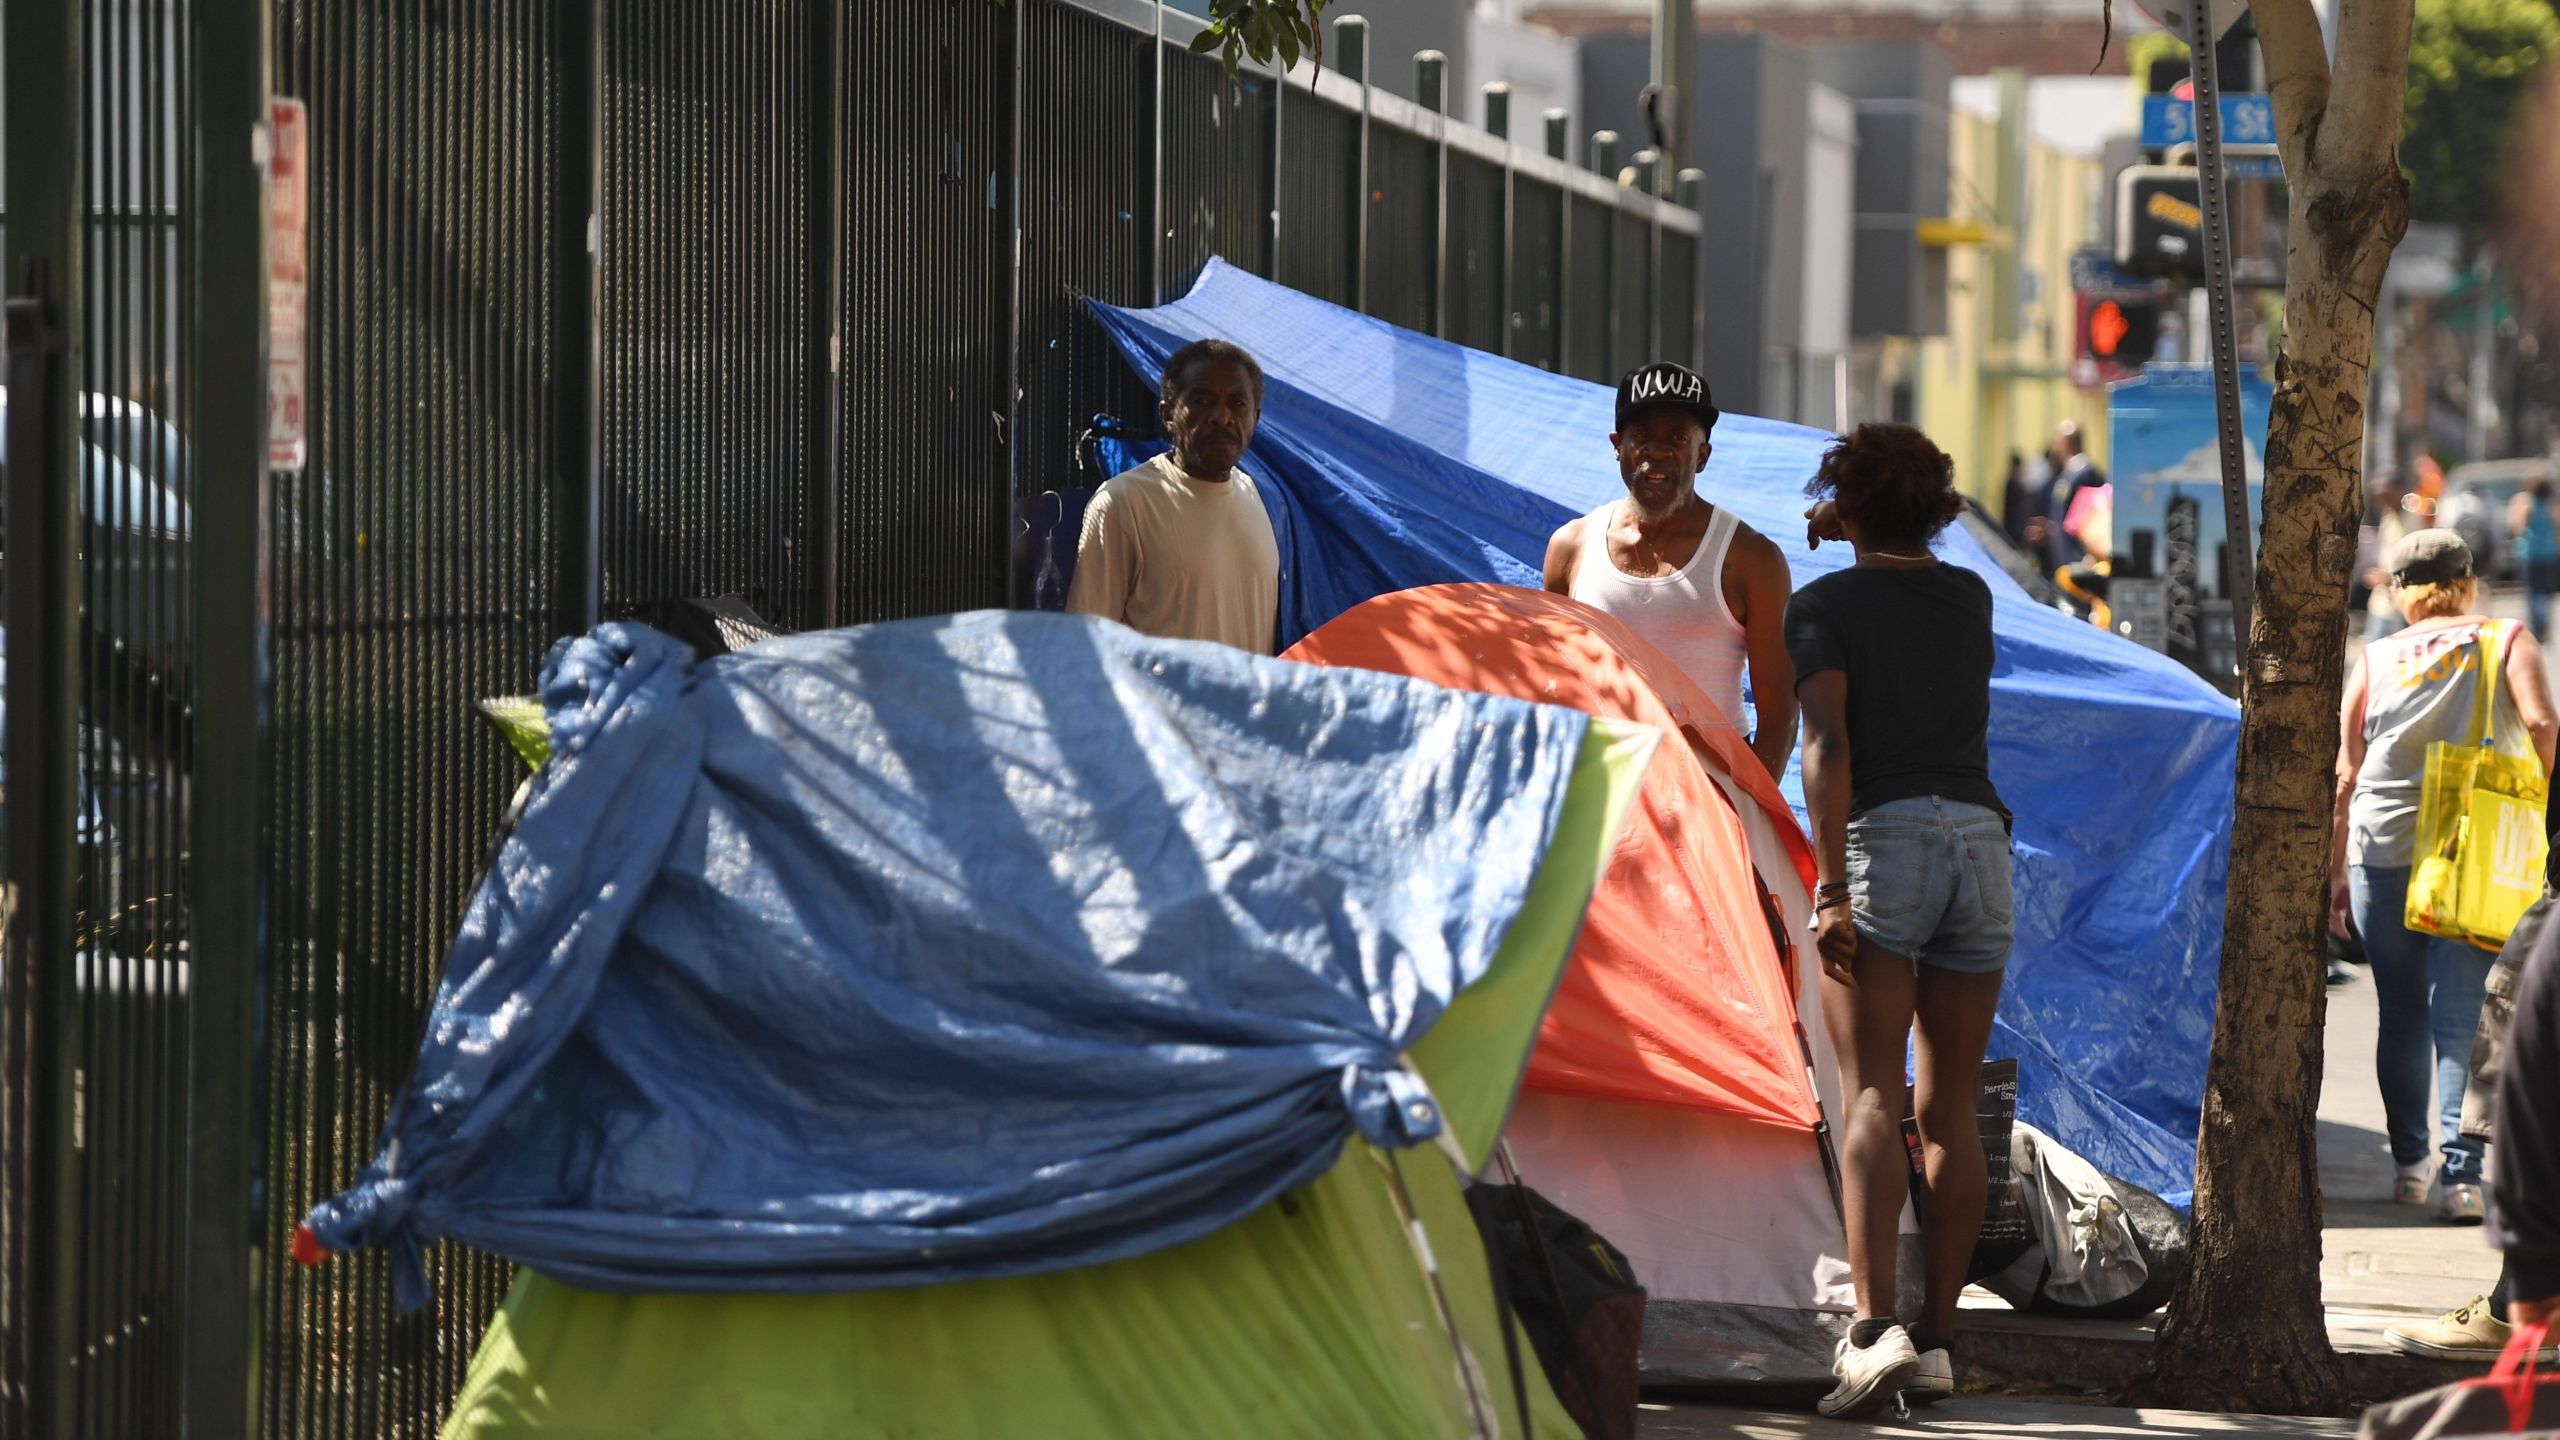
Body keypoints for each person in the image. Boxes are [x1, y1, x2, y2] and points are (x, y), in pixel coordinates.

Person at [1785, 424, 2010, 1419]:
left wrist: (1828, 889)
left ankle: (1872, 1335)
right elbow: (1905, 581)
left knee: (1870, 1092)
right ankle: (1941, 1341)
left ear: (1847, 506)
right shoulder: (1971, 596)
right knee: (1949, 1104)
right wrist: (1861, 523)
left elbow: (1826, 746)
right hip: (1980, 841)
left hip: (1887, 842)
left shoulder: (1821, 603)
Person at [2332, 530, 2559, 1223]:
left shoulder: (2374, 656)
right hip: (2475, 854)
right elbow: (2545, 723)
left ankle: (2408, 1168)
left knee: (2400, 1013)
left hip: (2383, 849)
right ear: (2465, 582)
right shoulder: (2507, 638)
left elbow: (2347, 771)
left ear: (2401, 590)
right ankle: (2462, 1181)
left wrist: (2335, 871)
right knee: (2461, 1020)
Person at [1542, 360, 1797, 778]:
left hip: (1709, 794)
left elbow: (1781, 712)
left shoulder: (1750, 558)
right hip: (1601, 790)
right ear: (1617, 445)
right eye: (1641, 436)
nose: (1656, 451)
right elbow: (1556, 687)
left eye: (1677, 437)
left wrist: (1747, 813)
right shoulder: (1571, 548)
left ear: (1703, 456)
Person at [1065, 338, 1281, 654]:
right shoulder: (1124, 502)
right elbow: (1084, 649)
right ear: (1168, 415)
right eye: (1202, 400)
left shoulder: (1258, 496)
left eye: (1237, 403)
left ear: (1255, 418)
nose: (1221, 416)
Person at [2028, 421, 2104, 570]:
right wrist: (2050, 529)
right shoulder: (2067, 472)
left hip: (2079, 559)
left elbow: (2094, 515)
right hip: (2063, 557)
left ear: (2066, 442)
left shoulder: (2086, 472)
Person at [2365, 470, 2417, 642]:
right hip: (2382, 603)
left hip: (2403, 603)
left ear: (2398, 491)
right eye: (2380, 498)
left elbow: (2417, 564)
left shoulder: (2414, 520)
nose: (2384, 502)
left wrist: (2389, 578)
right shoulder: (2388, 517)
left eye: (2386, 496)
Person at [2512, 477, 2560, 639]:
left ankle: (2538, 628)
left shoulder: (2527, 502)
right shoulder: (2551, 504)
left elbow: (2518, 526)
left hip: (2531, 553)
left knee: (2533, 592)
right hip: (2550, 553)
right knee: (2546, 592)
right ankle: (2544, 625)